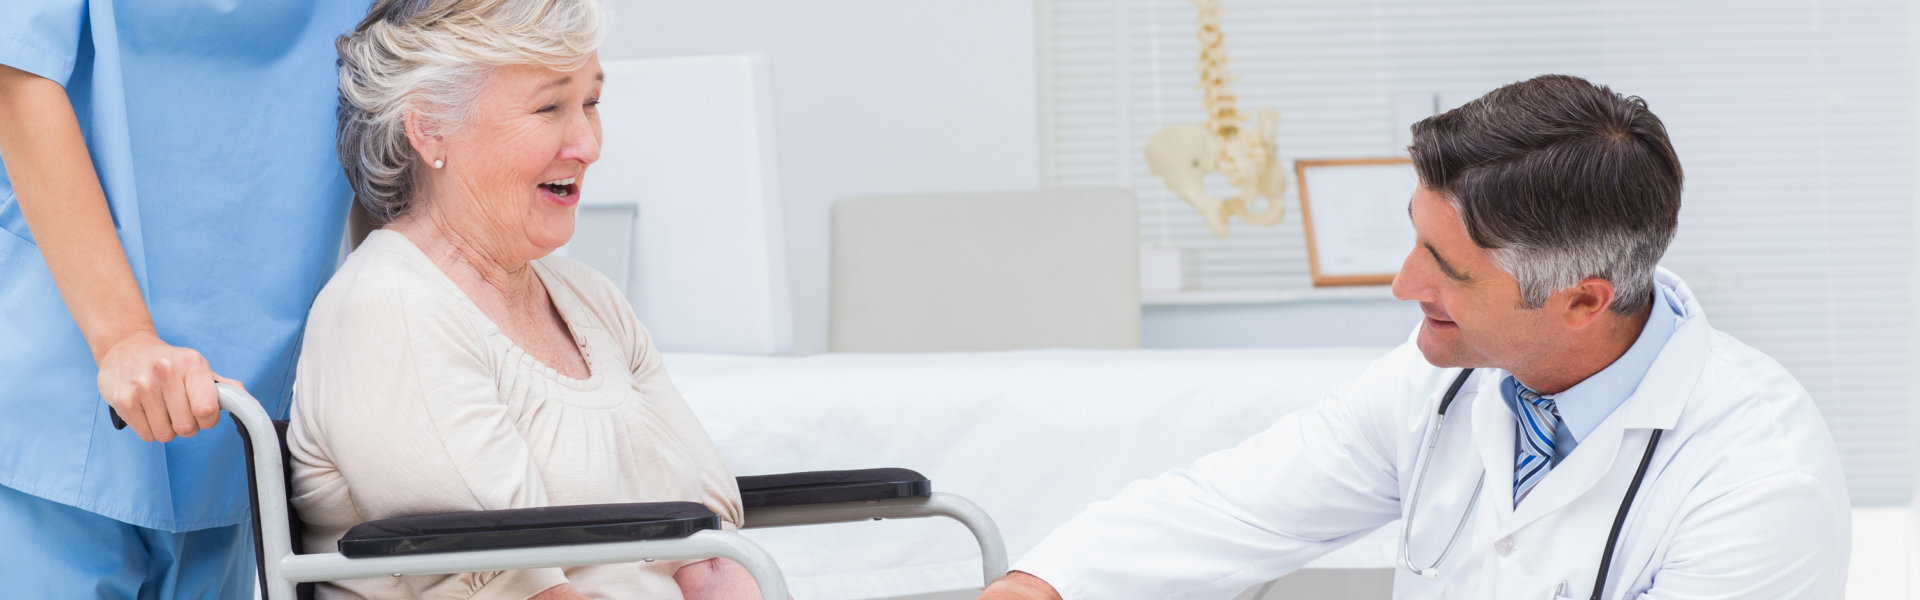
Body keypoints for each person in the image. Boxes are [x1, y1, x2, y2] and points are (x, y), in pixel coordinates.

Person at [980, 75, 1851, 599]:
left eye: (1448, 268)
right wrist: (1044, 584)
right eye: (1413, 237)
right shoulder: (1445, 379)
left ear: (1582, 303)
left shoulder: (1759, 481)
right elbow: (1235, 506)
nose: (1403, 286)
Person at [287, 1, 759, 598]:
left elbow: (710, 546)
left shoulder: (591, 299)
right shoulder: (389, 308)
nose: (588, 145)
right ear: (430, 126)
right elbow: (515, 583)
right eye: (550, 107)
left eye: (591, 102)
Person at [0, 1, 367, 596]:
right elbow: (19, 73)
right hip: (64, 386)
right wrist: (121, 336)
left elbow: (401, 106)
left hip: (240, 410)